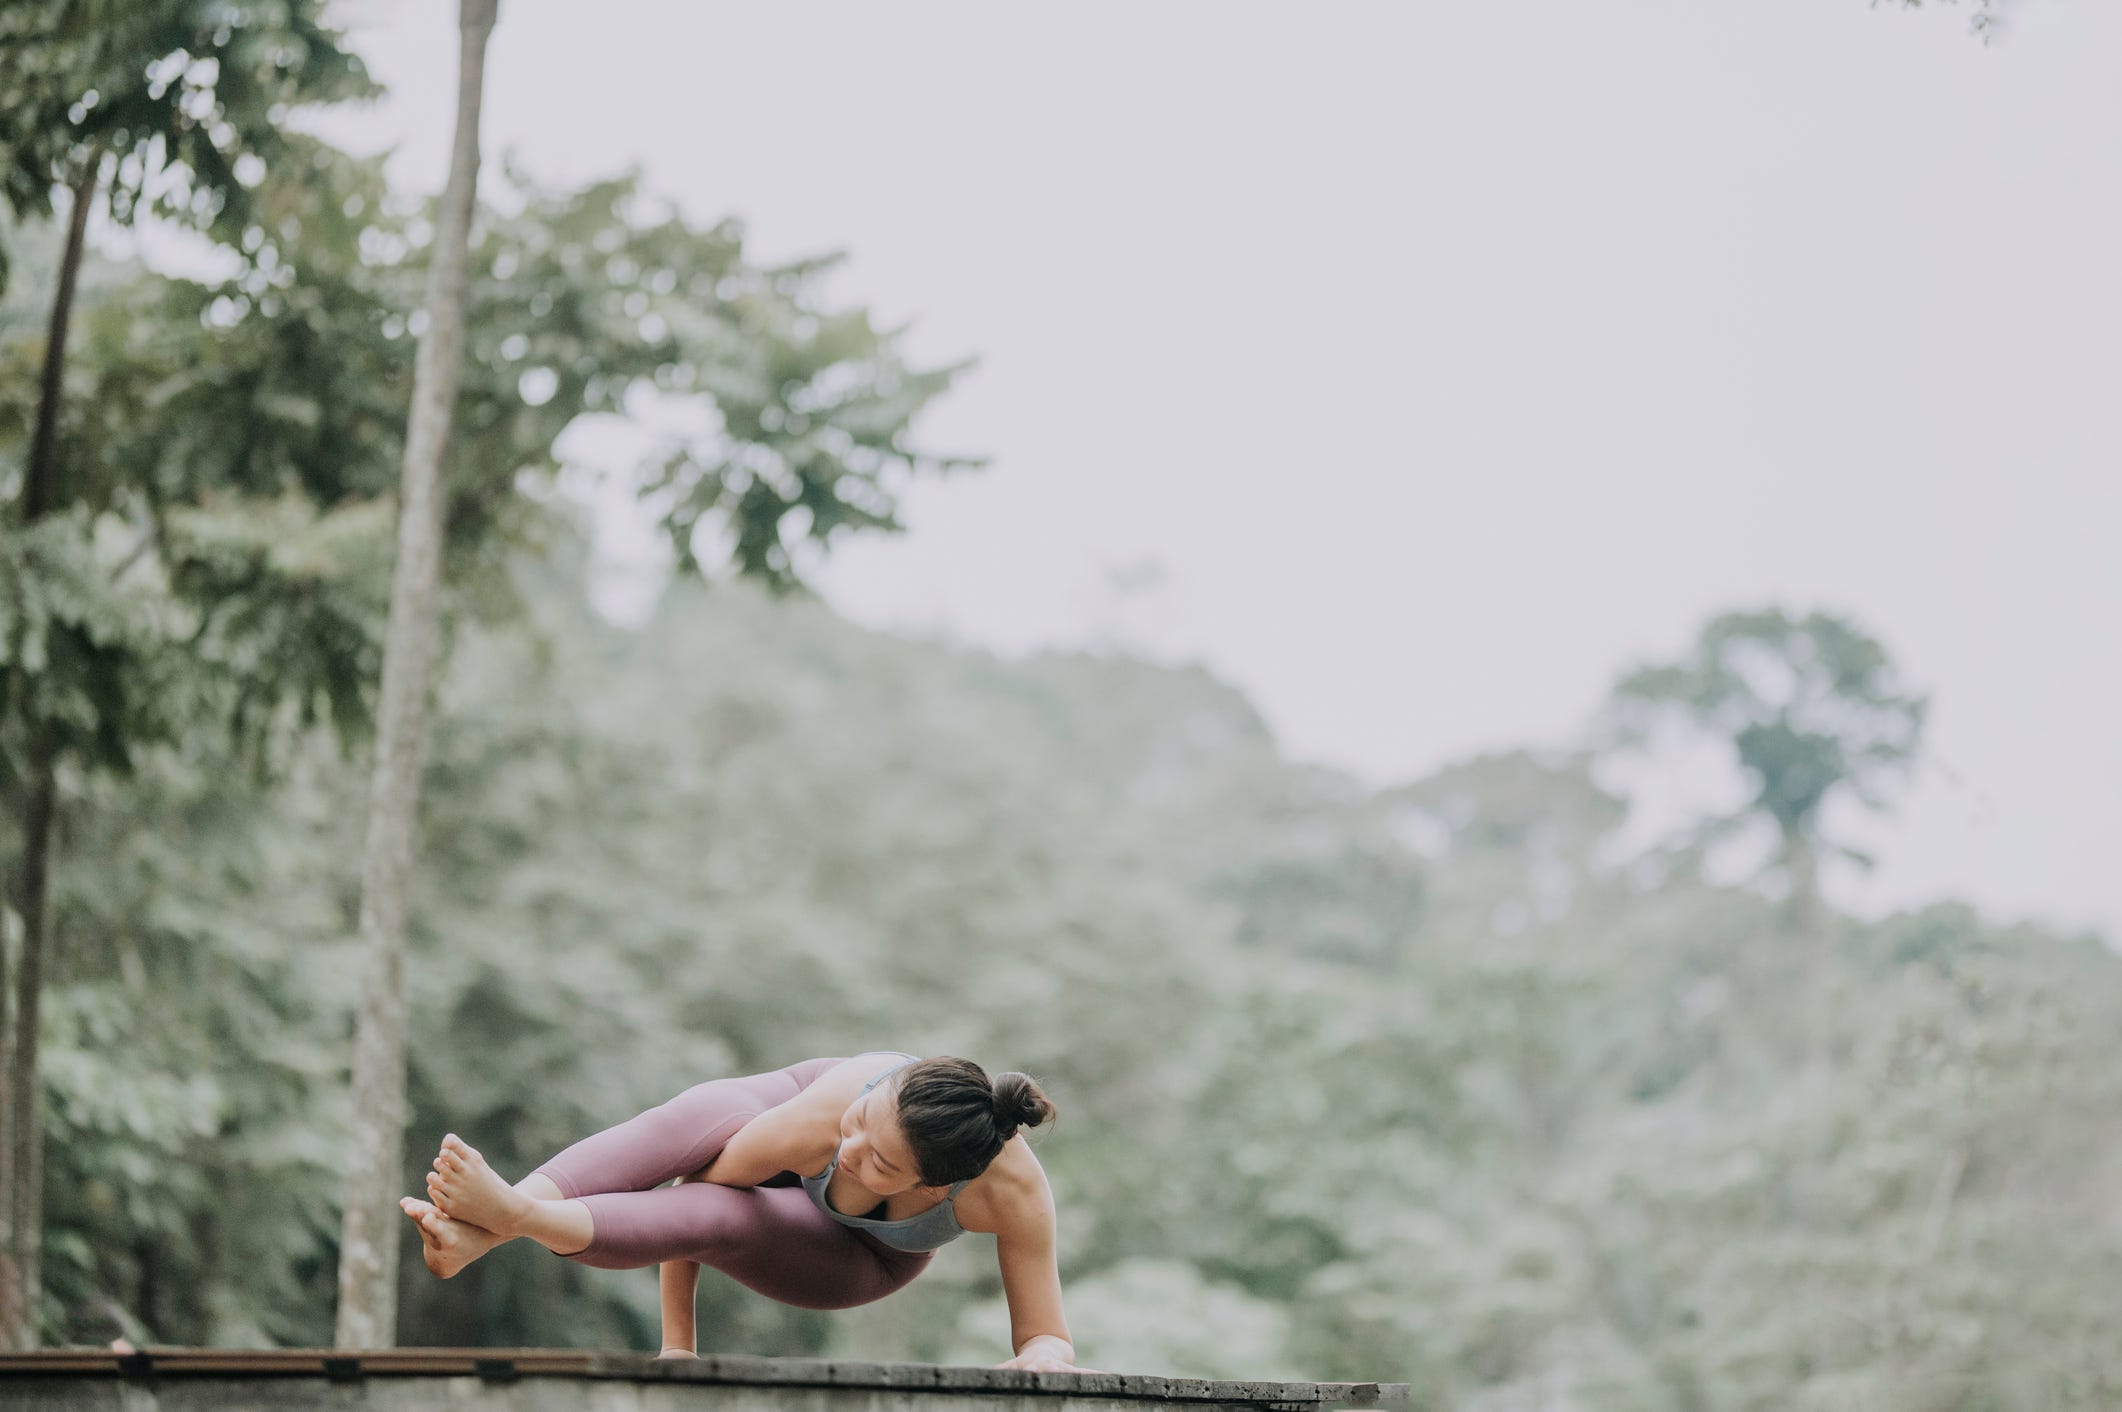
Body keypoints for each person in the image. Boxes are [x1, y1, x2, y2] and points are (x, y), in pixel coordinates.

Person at [398, 1052, 1081, 1371]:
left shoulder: (1012, 1194)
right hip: (775, 1117)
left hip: (858, 1260)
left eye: (882, 1164)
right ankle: (493, 1227)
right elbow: (695, 1194)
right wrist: (678, 1344)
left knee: (740, 1221)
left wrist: (1042, 1360)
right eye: (862, 1123)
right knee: (693, 1119)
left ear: (934, 1189)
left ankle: (508, 1218)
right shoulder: (828, 1111)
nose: (851, 1152)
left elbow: (1045, 1335)